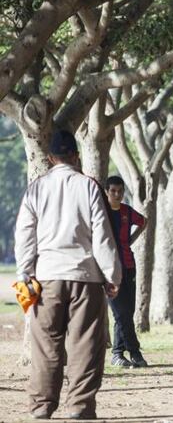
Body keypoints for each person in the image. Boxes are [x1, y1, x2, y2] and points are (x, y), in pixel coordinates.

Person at [15, 130, 121, 419]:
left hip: (45, 277)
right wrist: (112, 275)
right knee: (85, 346)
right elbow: (102, 235)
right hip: (85, 277)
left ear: (50, 158)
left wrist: (25, 272)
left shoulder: (36, 188)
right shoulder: (88, 186)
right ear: (76, 156)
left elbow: (24, 234)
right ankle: (80, 407)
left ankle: (41, 407)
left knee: (46, 347)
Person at [105, 175, 149, 368]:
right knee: (120, 312)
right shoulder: (101, 211)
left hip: (129, 266)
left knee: (127, 312)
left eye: (120, 191)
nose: (117, 194)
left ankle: (117, 354)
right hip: (108, 269)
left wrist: (130, 240)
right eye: (113, 191)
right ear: (107, 192)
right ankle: (135, 352)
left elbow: (143, 222)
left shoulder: (127, 212)